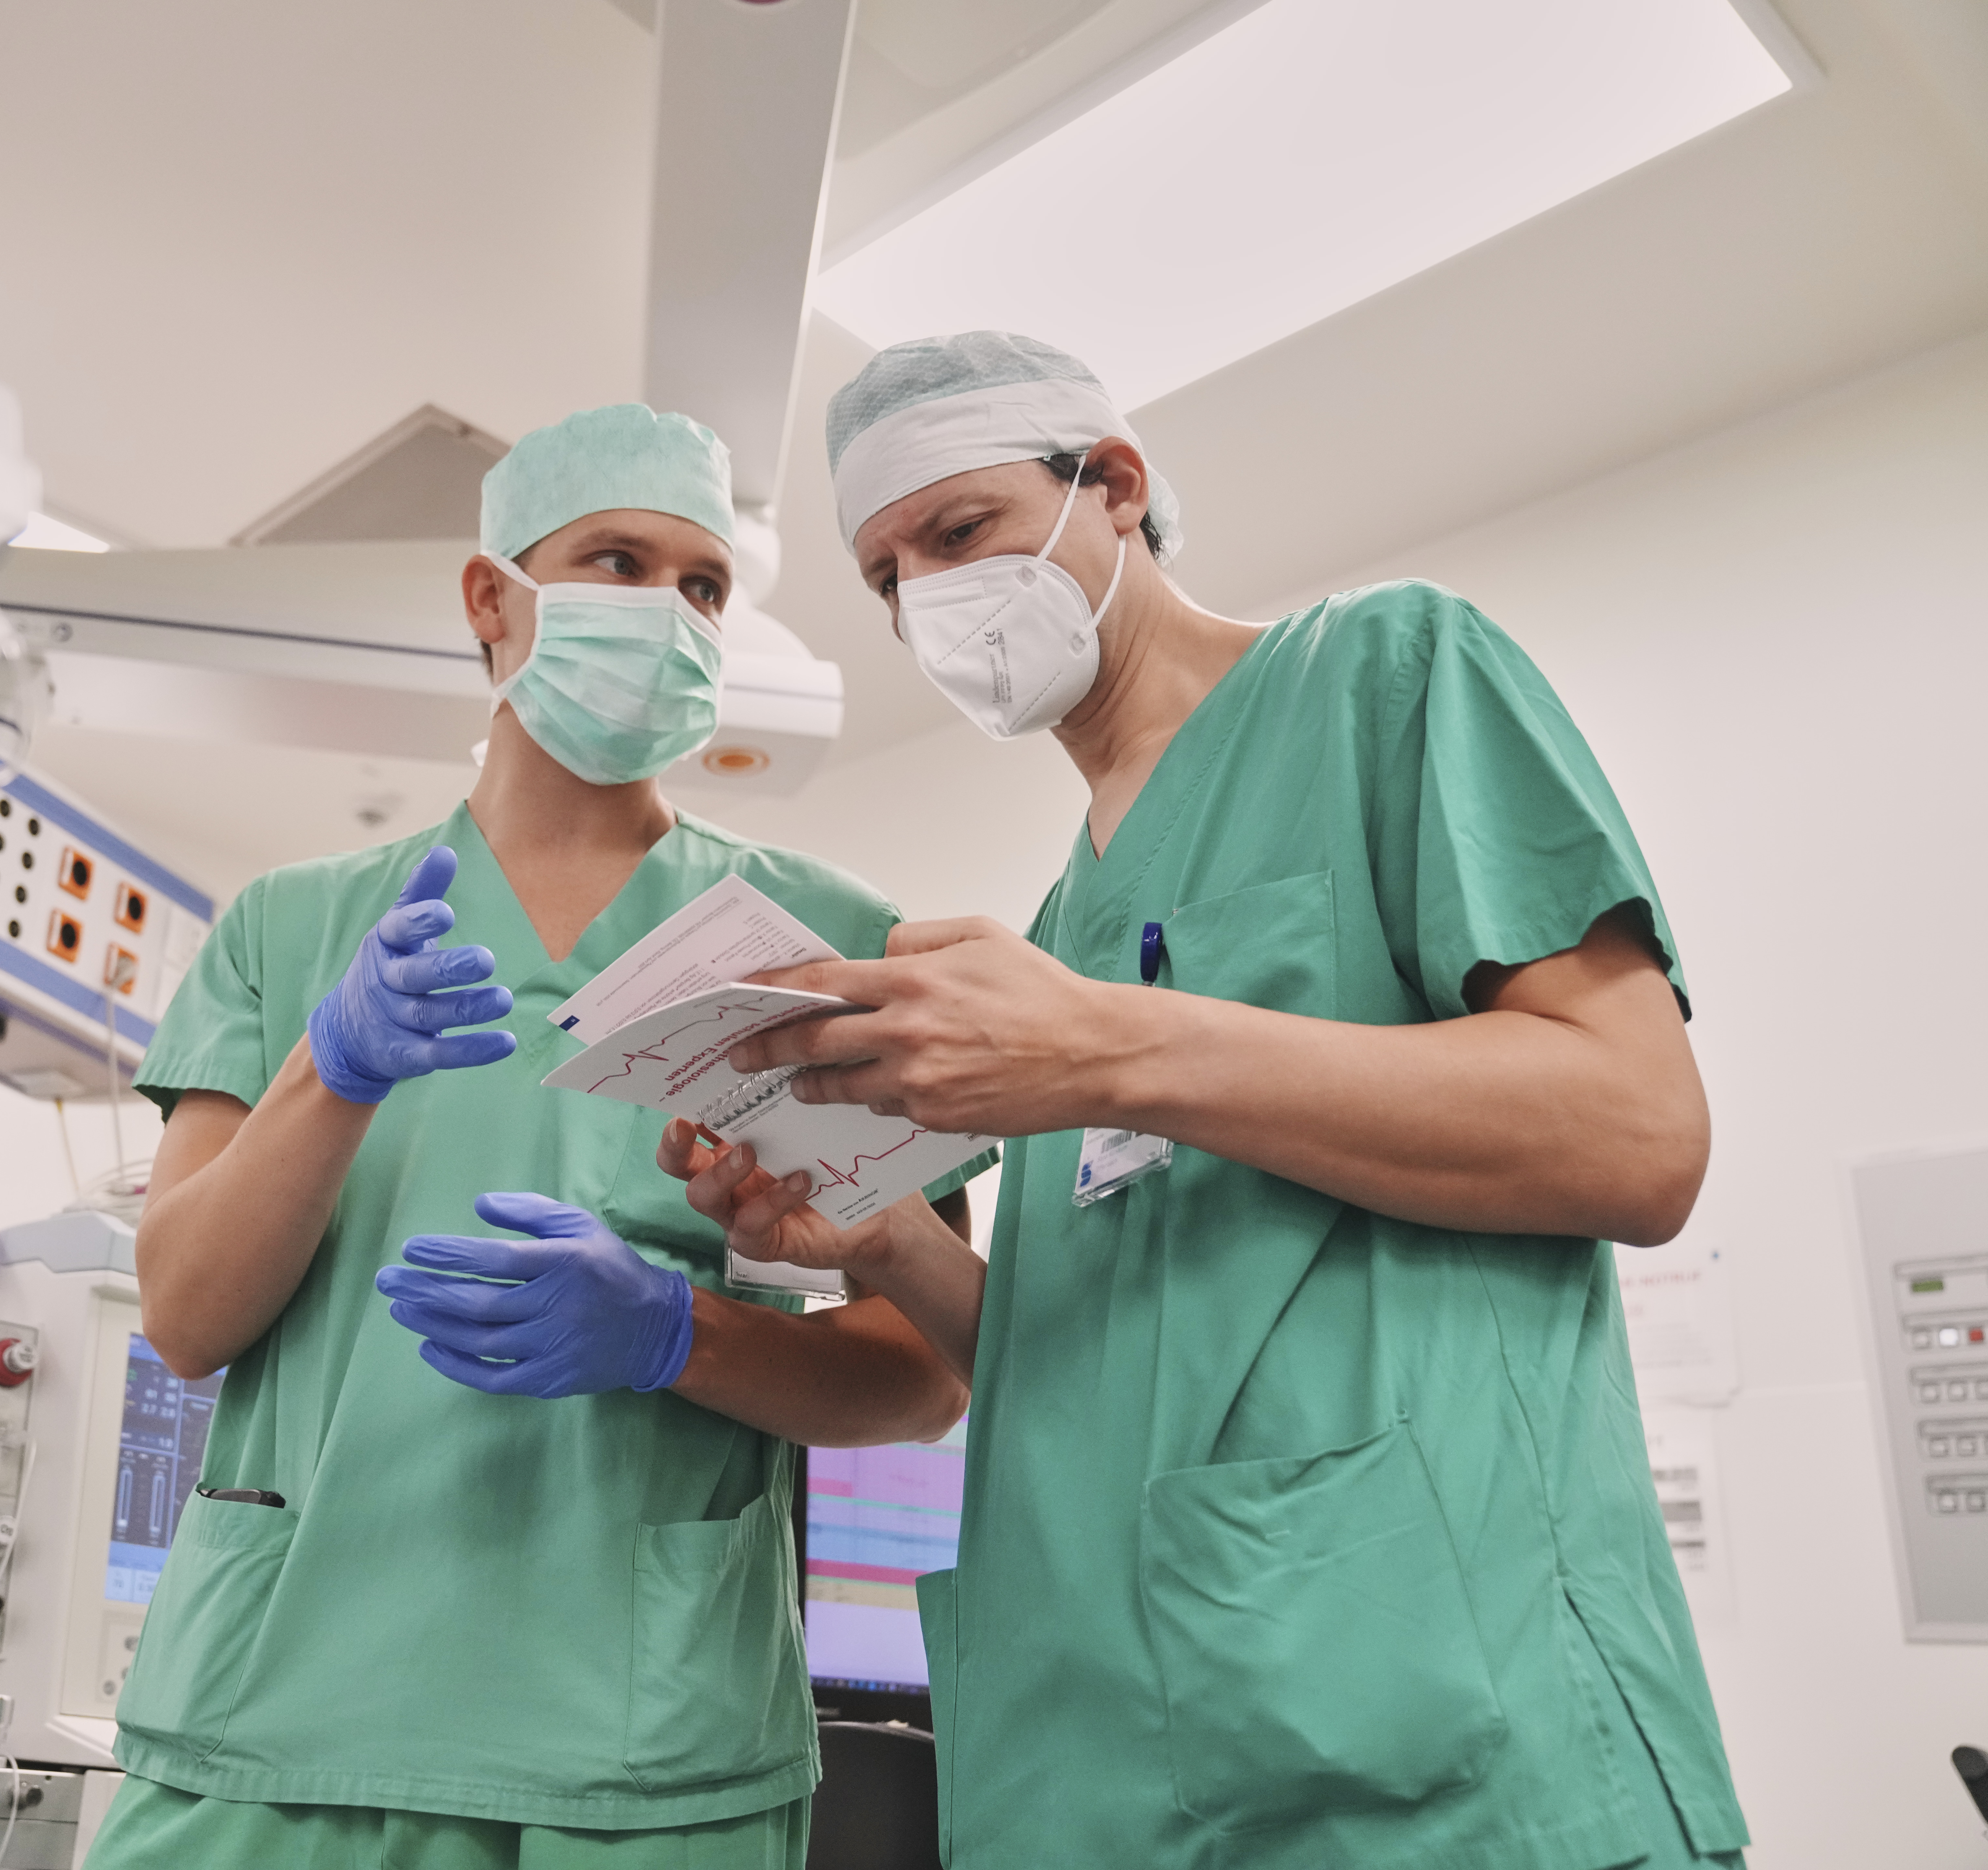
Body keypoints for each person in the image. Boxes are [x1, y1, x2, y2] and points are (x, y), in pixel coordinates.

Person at [657, 333, 1750, 1868]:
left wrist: (1116, 1049)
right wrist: (892, 1243)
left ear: (1113, 486)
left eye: (959, 532)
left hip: (1425, 1717)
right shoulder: (1064, 930)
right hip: (1101, 1746)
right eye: (888, 575)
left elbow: (1639, 1134)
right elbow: (1100, 1365)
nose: (927, 599)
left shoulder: (1389, 677)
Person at [87, 403, 982, 1870]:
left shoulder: (822, 939)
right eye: (617, 562)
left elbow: (922, 1377)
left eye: (704, 588)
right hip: (280, 1720)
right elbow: (186, 1318)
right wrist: (336, 1068)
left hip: (640, 1752)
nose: (668, 616)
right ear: (491, 600)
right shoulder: (292, 930)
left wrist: (677, 1337)